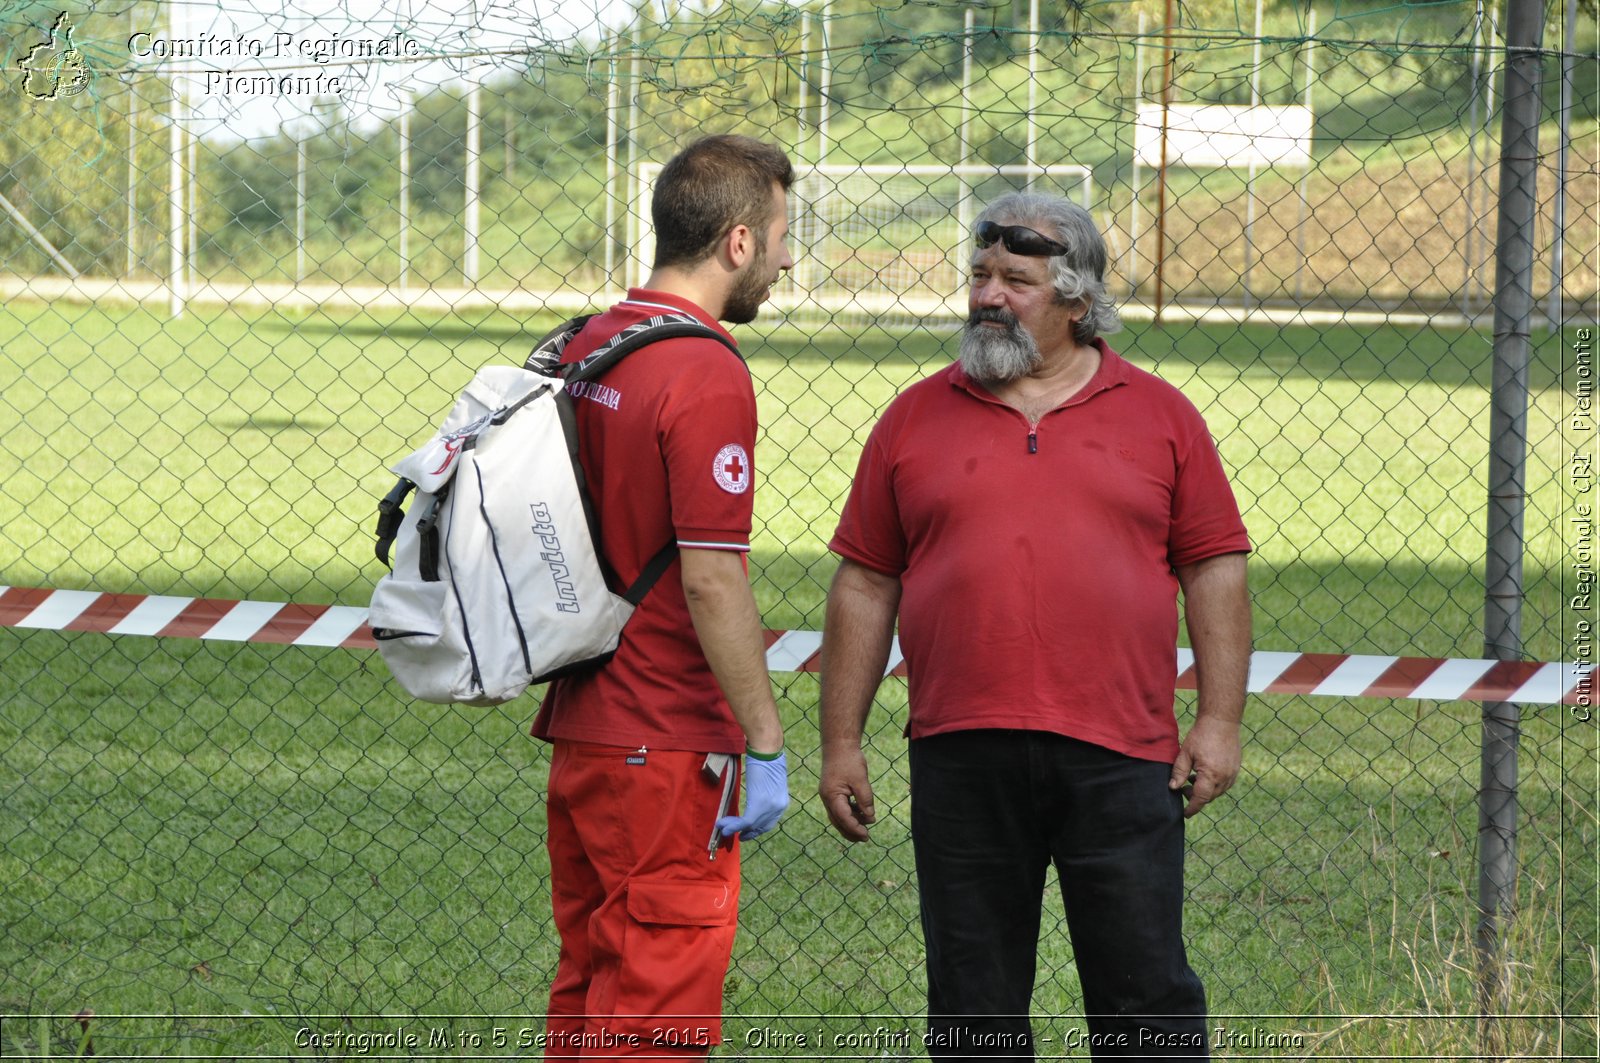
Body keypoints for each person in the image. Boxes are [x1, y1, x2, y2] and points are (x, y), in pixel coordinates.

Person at [817, 191, 1251, 1060]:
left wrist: (1219, 720)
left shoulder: (1162, 415)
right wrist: (841, 742)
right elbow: (866, 581)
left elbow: (1215, 566)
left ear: (1077, 301)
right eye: (979, 275)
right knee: (973, 1006)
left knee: (1145, 1001)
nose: (986, 295)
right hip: (960, 750)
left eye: (1015, 280)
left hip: (1123, 755)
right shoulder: (913, 415)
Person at [530, 134, 795, 1060]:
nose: (786, 259)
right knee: (655, 1015)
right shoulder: (705, 369)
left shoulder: (595, 339)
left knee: (590, 986)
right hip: (668, 742)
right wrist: (763, 740)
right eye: (780, 236)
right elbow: (713, 574)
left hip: (585, 724)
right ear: (736, 243)